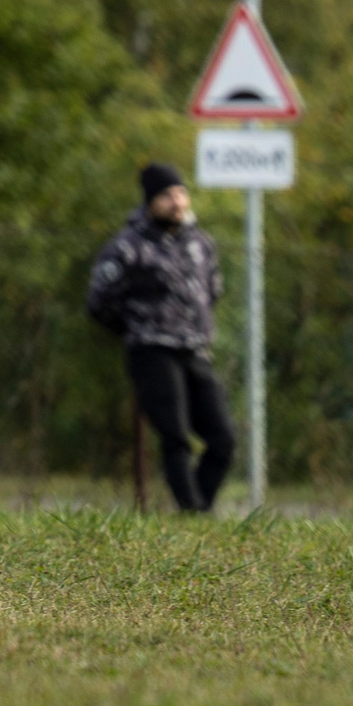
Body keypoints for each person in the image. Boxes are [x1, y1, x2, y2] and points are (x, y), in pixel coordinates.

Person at [88, 163, 237, 511]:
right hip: (152, 350)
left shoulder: (200, 244)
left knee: (223, 438)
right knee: (176, 437)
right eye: (167, 195)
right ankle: (192, 513)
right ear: (150, 202)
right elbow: (99, 300)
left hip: (195, 349)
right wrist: (138, 330)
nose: (176, 202)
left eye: (180, 193)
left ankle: (197, 512)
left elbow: (213, 289)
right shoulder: (128, 247)